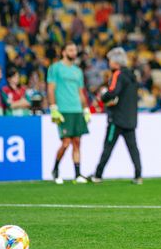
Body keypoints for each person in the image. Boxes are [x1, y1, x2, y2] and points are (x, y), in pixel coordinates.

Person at [91, 47, 142, 184]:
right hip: (131, 118)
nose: (109, 63)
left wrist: (103, 96)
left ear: (115, 62)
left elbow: (113, 92)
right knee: (133, 148)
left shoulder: (117, 74)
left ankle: (97, 175)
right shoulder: (132, 75)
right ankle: (138, 175)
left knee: (108, 146)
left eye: (110, 60)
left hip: (117, 118)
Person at [47, 42, 91, 184]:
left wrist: (86, 108)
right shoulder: (55, 68)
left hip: (77, 109)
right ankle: (56, 169)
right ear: (63, 52)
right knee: (65, 143)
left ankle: (78, 174)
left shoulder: (78, 71)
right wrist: (53, 107)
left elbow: (80, 92)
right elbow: (51, 88)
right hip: (63, 110)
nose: (74, 52)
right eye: (71, 50)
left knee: (77, 142)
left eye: (75, 50)